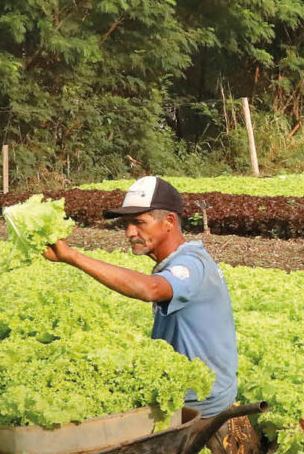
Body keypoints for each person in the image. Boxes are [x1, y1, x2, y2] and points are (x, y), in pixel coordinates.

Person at [44, 175, 241, 423]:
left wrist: (73, 257)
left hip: (200, 408)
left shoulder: (191, 264)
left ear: (169, 222)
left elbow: (152, 289)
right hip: (182, 396)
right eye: (126, 223)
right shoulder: (175, 261)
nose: (129, 232)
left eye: (139, 222)